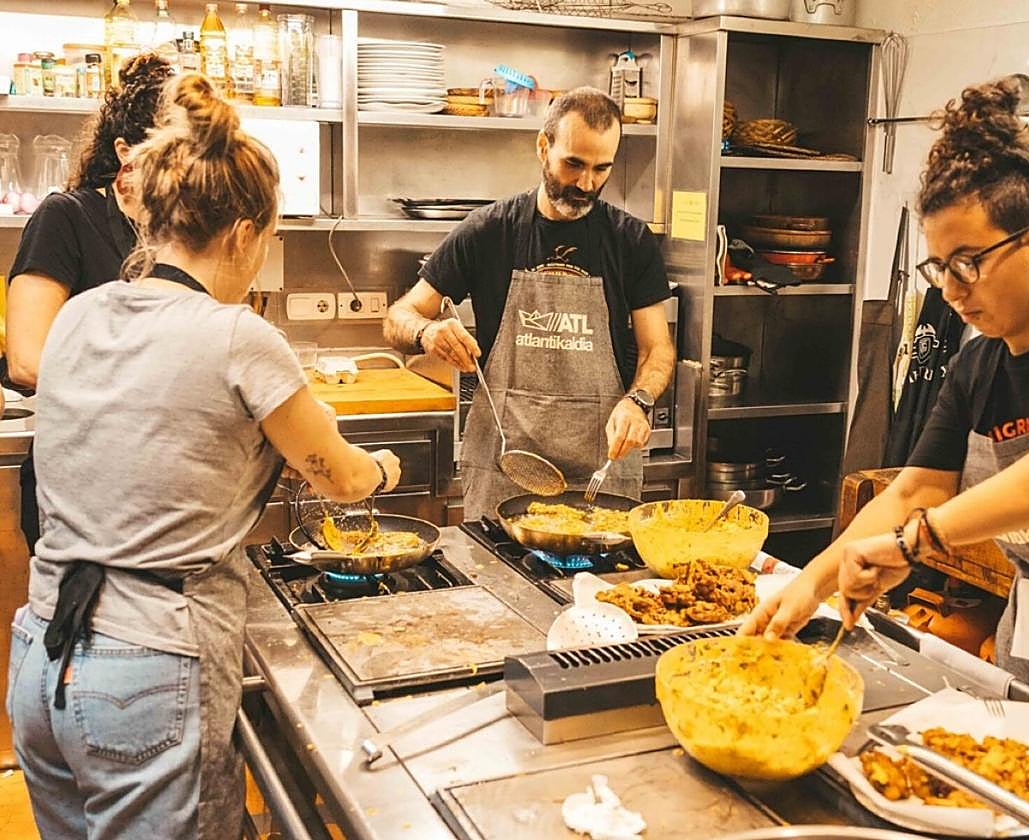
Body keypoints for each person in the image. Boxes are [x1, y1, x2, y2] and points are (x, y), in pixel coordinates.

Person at [741, 78, 1029, 752]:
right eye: (939, 267)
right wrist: (812, 581)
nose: (952, 290)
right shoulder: (978, 365)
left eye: (969, 263)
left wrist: (917, 543)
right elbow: (915, 490)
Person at [7, 73, 402, 840]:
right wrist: (381, 468)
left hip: (44, 651)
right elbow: (344, 477)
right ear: (245, 232)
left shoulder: (81, 315)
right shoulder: (239, 336)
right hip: (146, 671)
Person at [383, 87, 675, 520]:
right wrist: (426, 333)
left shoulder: (630, 241)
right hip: (504, 469)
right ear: (543, 146)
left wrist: (640, 400)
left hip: (601, 471)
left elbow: (658, 349)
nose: (586, 184)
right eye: (573, 164)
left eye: (602, 168)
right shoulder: (489, 232)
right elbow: (398, 318)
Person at [4, 53, 175, 553]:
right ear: (125, 150)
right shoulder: (67, 219)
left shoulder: (185, 236)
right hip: (80, 485)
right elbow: (27, 361)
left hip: (164, 485)